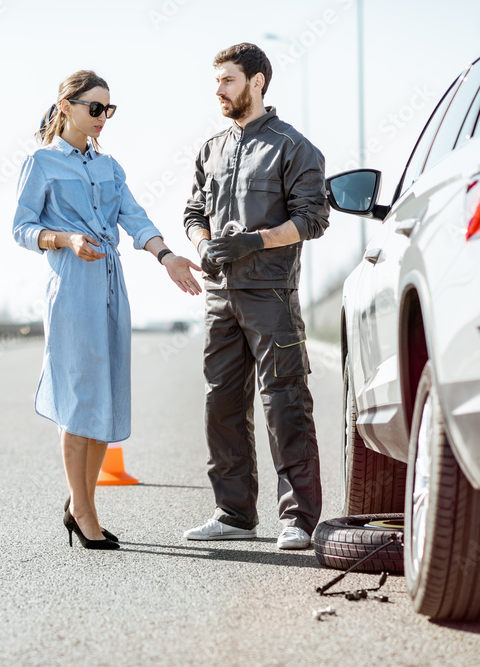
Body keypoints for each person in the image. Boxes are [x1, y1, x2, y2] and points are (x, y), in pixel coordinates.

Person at [13, 70, 202, 551]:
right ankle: (84, 509)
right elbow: (22, 228)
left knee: (106, 398)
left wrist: (166, 256)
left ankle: (83, 503)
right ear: (66, 107)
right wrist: (65, 239)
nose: (102, 118)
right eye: (94, 108)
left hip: (112, 286)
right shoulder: (41, 162)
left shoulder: (110, 167)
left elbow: (134, 218)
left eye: (108, 109)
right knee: (79, 401)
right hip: (72, 285)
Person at [182, 43, 329, 550]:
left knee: (284, 402)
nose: (218, 90)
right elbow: (192, 212)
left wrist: (255, 240)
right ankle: (234, 512)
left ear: (257, 81)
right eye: (216, 81)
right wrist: (203, 245)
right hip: (220, 296)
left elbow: (312, 220)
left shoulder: (294, 147)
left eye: (227, 80)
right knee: (220, 404)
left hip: (270, 295)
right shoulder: (210, 148)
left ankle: (300, 519)